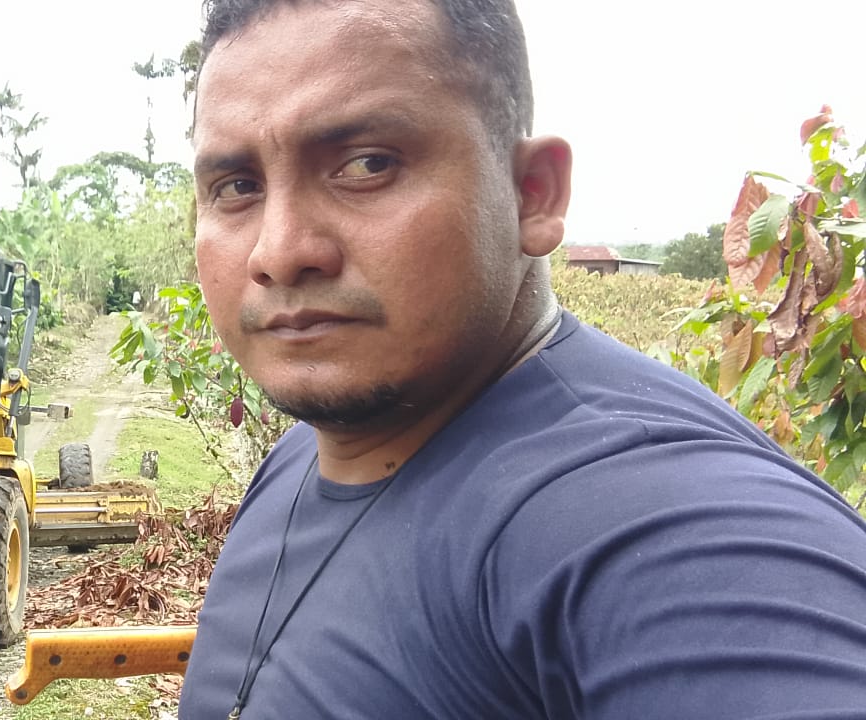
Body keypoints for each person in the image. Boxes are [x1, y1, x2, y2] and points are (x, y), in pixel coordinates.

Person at [178, 0, 866, 717]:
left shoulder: (662, 522)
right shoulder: (303, 454)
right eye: (237, 187)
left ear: (533, 194)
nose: (279, 251)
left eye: (367, 164)